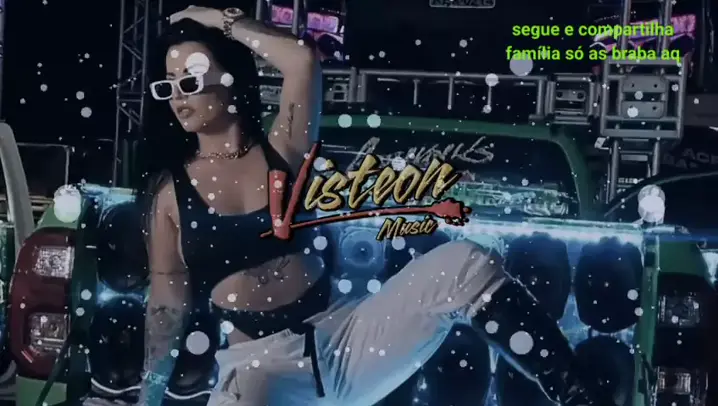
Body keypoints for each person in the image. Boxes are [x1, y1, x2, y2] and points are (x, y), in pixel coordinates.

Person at [117, 5, 615, 406]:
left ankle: (579, 396)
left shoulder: (284, 151)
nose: (179, 97)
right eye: (168, 85)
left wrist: (222, 20)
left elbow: (301, 59)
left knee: (464, 264)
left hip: (346, 340)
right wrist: (148, 398)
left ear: (231, 78)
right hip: (258, 369)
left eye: (191, 79)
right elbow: (166, 308)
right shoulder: (169, 194)